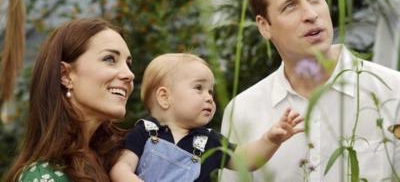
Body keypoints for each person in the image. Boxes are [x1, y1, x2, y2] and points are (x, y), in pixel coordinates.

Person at [220, 0, 400, 182]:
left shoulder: (393, 92)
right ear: (264, 26)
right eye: (290, 6)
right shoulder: (242, 111)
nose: (310, 14)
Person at [110, 53, 303, 182]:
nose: (209, 97)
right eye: (199, 88)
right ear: (164, 97)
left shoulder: (209, 141)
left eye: (210, 91)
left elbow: (246, 160)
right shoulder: (145, 131)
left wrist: (270, 140)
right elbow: (121, 169)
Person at [3, 18, 135, 182]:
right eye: (109, 59)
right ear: (65, 75)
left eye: (129, 64)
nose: (129, 74)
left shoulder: (125, 160)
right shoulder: (43, 176)